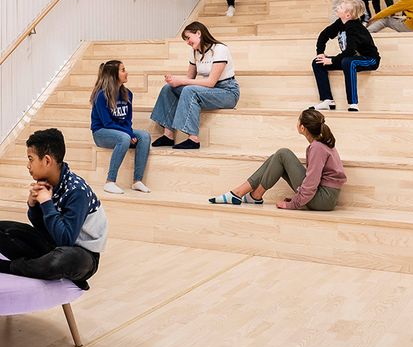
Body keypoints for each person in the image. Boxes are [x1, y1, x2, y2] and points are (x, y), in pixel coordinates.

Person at [0, 128, 107, 290]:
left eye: (31, 159)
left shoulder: (76, 191)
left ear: (47, 160)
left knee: (60, 260)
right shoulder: (47, 182)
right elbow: (42, 228)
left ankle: (10, 267)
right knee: (3, 229)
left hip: (82, 255)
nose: (28, 166)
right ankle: (39, 266)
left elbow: (65, 240)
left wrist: (47, 203)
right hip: (52, 245)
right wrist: (33, 206)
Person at [208, 107, 346, 210]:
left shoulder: (317, 148)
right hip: (325, 196)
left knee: (282, 153)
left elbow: (312, 182)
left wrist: (294, 203)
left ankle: (245, 194)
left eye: (298, 120)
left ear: (302, 127)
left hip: (324, 199)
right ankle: (249, 195)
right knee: (277, 157)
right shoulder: (320, 144)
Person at [150, 21, 239, 149]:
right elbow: (189, 78)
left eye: (188, 38)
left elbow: (210, 82)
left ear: (198, 33)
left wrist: (181, 81)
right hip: (208, 91)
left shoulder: (220, 49)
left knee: (189, 90)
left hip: (227, 91)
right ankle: (168, 135)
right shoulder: (194, 52)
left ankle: (193, 139)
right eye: (185, 40)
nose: (187, 42)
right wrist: (174, 81)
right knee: (169, 88)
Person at [90, 59, 151, 194]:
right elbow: (107, 123)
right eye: (123, 70)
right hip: (101, 132)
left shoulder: (127, 93)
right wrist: (129, 134)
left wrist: (131, 132)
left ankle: (137, 181)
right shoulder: (101, 95)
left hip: (121, 131)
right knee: (123, 138)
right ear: (113, 74)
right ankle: (110, 181)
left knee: (145, 136)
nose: (126, 72)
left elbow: (128, 120)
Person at [312, 0, 380, 112]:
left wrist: (332, 61)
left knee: (348, 61)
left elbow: (350, 51)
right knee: (317, 62)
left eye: (341, 7)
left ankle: (353, 103)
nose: (338, 7)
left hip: (369, 59)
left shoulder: (355, 27)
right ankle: (327, 100)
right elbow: (324, 35)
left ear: (347, 15)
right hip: (349, 58)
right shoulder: (340, 23)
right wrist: (320, 53)